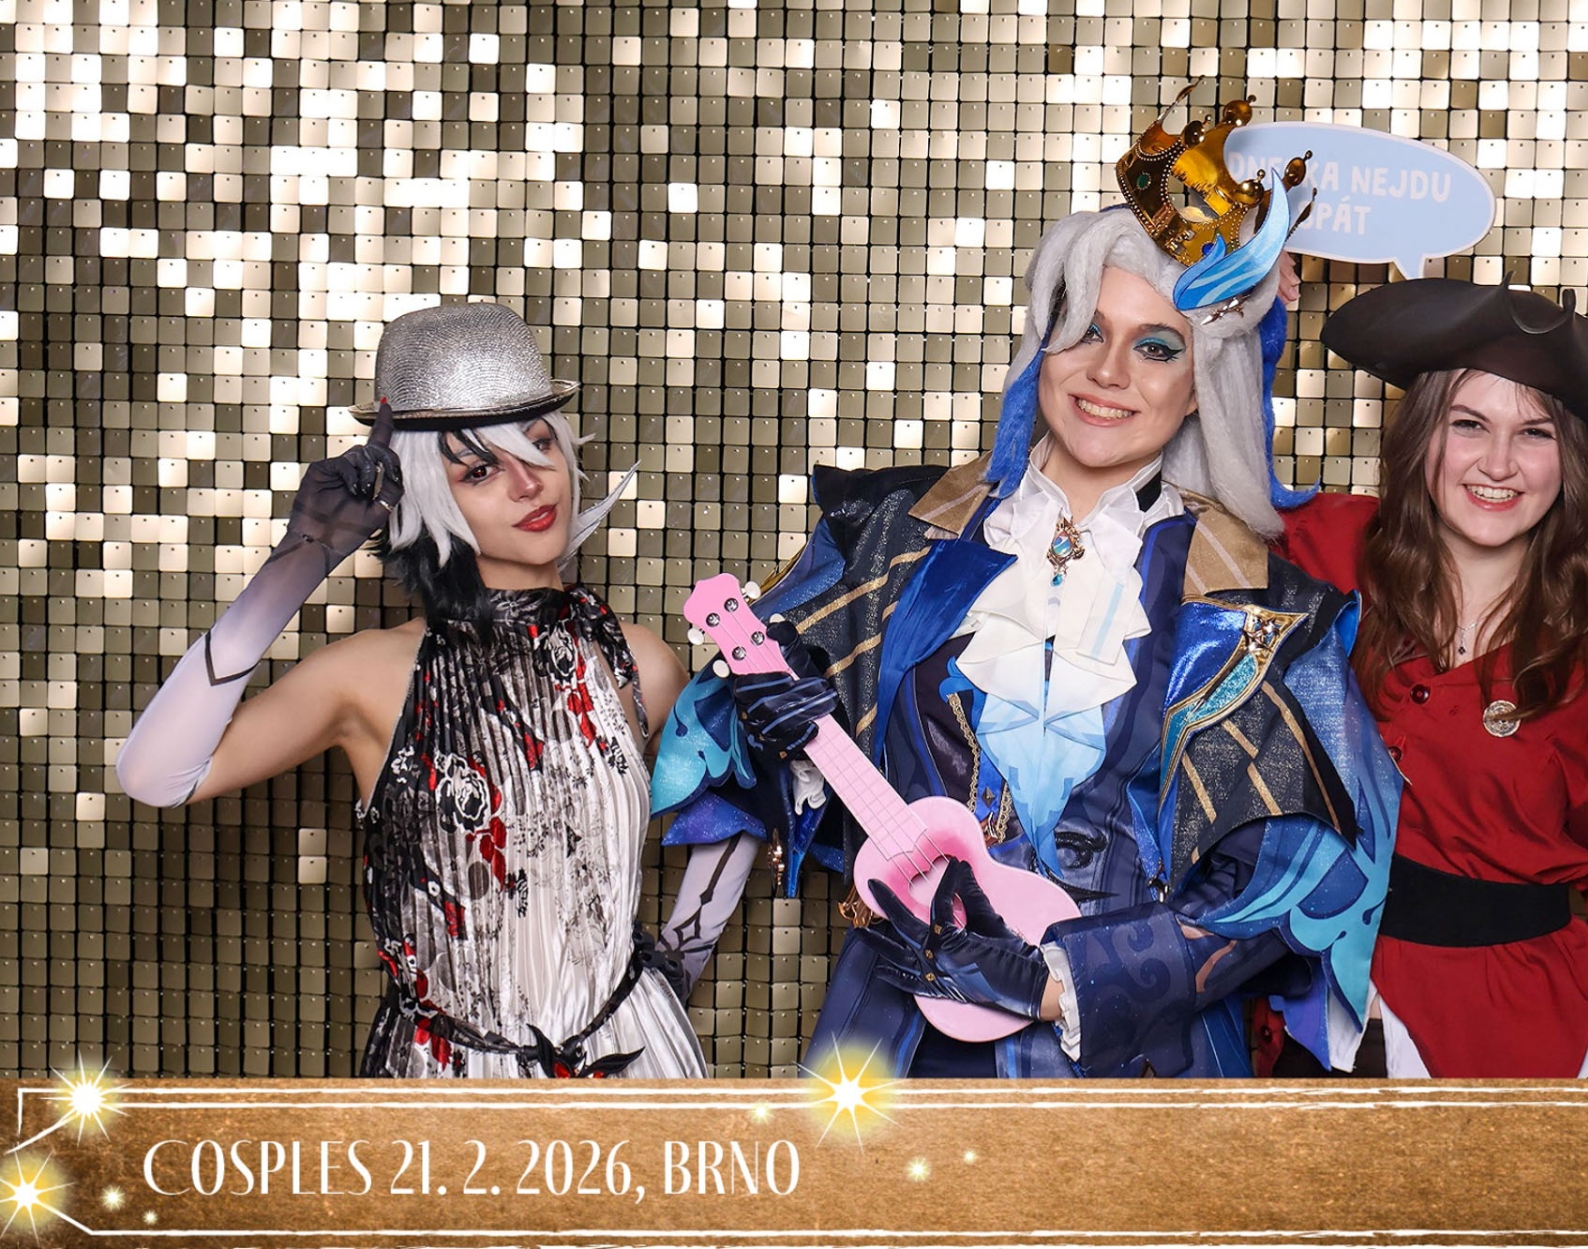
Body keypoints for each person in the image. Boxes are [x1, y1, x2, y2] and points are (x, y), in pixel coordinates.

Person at [651, 100, 1402, 1078]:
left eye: (1156, 345)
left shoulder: (1259, 607)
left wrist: (1056, 985)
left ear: (1201, 383)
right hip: (895, 1054)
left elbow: (1296, 871)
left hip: (1143, 1076)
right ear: (1040, 344)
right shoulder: (890, 540)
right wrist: (779, 736)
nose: (1108, 372)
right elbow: (738, 761)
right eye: (1083, 329)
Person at [116, 302, 707, 1079]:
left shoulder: (640, 665)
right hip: (448, 1084)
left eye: (540, 444)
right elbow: (154, 774)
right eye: (480, 469)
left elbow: (723, 829)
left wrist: (677, 968)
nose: (530, 483)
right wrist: (299, 560)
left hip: (638, 1061)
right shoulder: (370, 676)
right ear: (430, 495)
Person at [1255, 278, 1588, 1077]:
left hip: (1534, 1033)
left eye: (1535, 433)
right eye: (1469, 424)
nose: (1499, 463)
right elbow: (1175, 471)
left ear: (1570, 459)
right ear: (1423, 435)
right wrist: (1233, 290)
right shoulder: (1320, 549)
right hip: (1328, 1013)